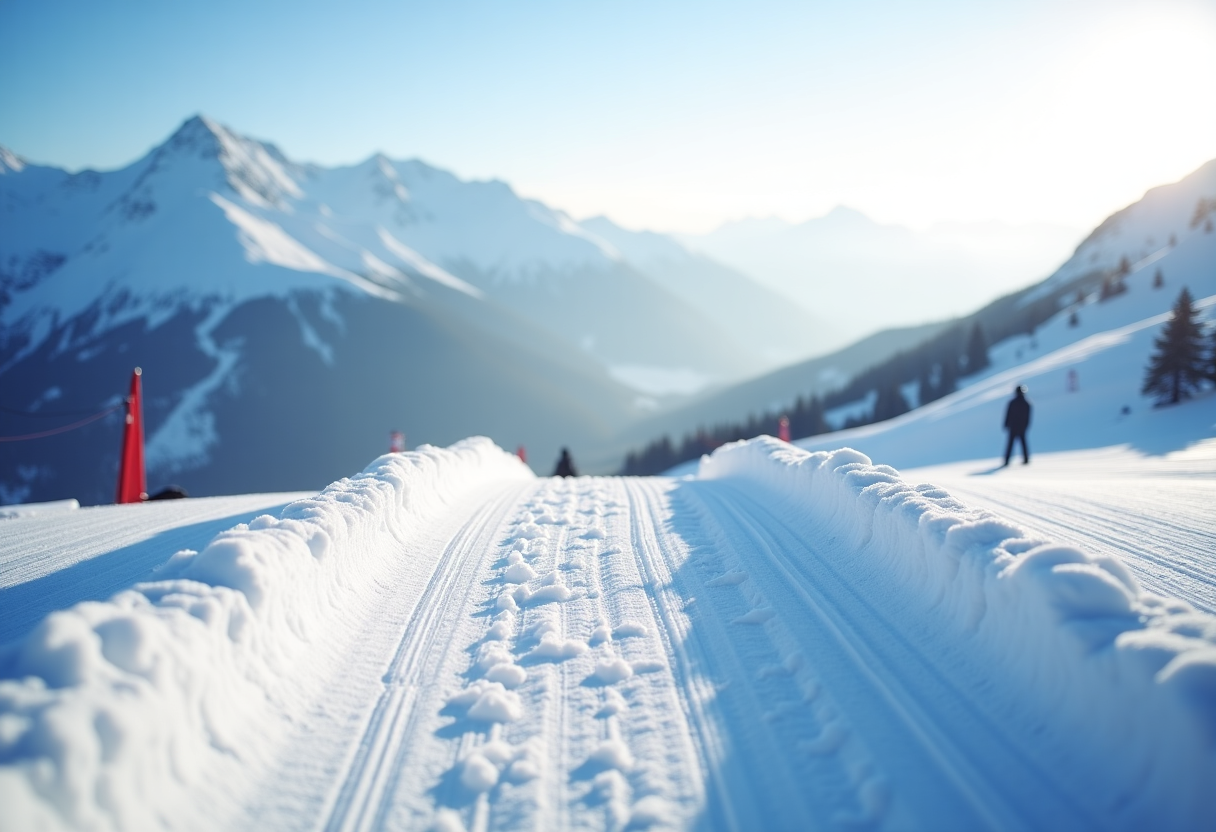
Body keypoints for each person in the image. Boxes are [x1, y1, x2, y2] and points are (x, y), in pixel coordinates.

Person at [1002, 385, 1032, 466]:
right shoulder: (1026, 403)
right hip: (1021, 427)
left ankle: (1007, 460)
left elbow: (1008, 415)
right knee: (1022, 443)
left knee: (1011, 444)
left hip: (1013, 427)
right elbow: (1028, 417)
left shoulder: (1013, 403)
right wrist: (1026, 426)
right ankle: (1025, 459)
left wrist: (1006, 424)